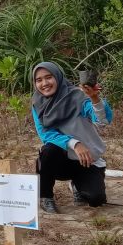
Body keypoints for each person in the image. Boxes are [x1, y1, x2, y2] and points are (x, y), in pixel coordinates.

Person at [30, 61, 113, 214]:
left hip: (87, 160)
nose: (44, 83)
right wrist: (75, 143)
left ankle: (77, 185)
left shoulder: (78, 96)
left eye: (49, 77)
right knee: (48, 151)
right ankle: (45, 197)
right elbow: (46, 134)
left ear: (58, 77)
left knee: (96, 199)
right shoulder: (38, 104)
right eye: (39, 80)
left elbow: (102, 121)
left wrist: (94, 98)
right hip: (61, 160)